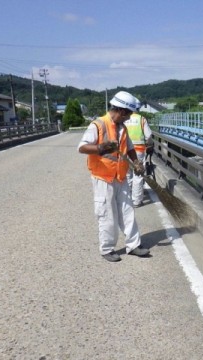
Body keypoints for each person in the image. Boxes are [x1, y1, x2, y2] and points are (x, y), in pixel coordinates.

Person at [78, 91, 150, 262]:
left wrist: (136, 163)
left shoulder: (122, 128)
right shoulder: (98, 125)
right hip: (103, 178)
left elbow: (130, 147)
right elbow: (82, 147)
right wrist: (100, 148)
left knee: (127, 212)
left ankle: (133, 245)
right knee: (107, 214)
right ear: (121, 111)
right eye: (128, 114)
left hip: (120, 176)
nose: (128, 118)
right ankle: (107, 248)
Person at [125, 101, 153, 207]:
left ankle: (127, 199)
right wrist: (149, 144)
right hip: (138, 150)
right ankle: (136, 201)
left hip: (125, 150)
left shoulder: (125, 118)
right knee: (138, 174)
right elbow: (148, 135)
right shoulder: (141, 119)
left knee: (127, 175)